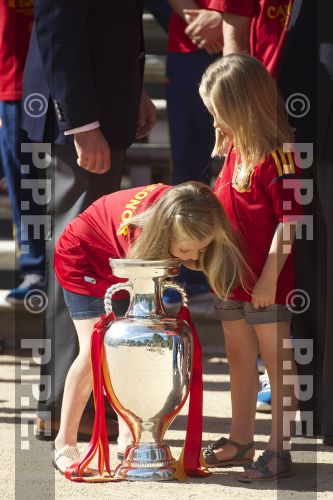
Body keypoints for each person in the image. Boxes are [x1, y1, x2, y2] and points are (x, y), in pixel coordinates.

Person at [21, 1, 156, 439]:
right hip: (78, 122)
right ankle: (67, 404)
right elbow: (58, 32)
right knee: (78, 258)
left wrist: (132, 89)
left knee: (96, 259)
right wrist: (81, 124)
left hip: (102, 109)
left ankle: (84, 399)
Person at [51, 180, 247, 473]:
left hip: (119, 256)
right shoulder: (142, 235)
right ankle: (64, 443)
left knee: (128, 349)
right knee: (96, 349)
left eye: (201, 249)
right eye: (186, 250)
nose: (194, 257)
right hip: (83, 257)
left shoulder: (191, 208)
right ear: (165, 236)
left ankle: (129, 434)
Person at [199, 53, 302, 482]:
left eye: (219, 114)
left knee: (277, 363)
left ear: (242, 107)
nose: (215, 123)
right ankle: (241, 438)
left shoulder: (281, 154)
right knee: (238, 357)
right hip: (231, 279)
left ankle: (279, 448)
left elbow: (292, 221)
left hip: (267, 281)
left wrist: (269, 276)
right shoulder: (233, 152)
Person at [278, 0, 333, 445]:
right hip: (308, 135)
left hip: (308, 132)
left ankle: (319, 414)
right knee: (310, 276)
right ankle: (317, 413)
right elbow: (296, 47)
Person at [163, 1, 224, 307]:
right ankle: (185, 272)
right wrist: (193, 16)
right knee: (187, 171)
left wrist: (227, 20)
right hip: (188, 43)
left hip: (247, 39)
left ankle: (233, 271)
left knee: (244, 171)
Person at [0, 0, 45, 302]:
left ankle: (71, 268)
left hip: (63, 78)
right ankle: (35, 269)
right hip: (12, 81)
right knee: (25, 183)